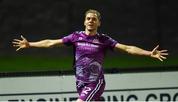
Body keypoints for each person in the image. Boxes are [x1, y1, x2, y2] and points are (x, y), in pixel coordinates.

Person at [12, 9, 168, 102]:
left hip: (95, 83)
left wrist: (149, 53)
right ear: (84, 22)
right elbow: (50, 43)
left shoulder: (104, 40)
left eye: (94, 19)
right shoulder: (76, 37)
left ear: (99, 23)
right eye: (88, 19)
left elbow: (127, 48)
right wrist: (30, 44)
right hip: (80, 83)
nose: (91, 21)